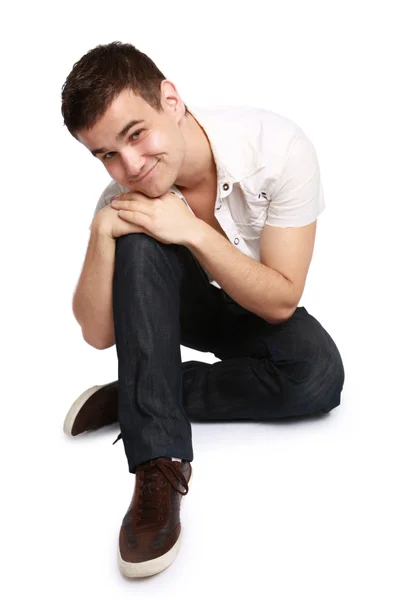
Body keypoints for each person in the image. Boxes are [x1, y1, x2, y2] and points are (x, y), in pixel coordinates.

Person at [61, 41, 345, 579]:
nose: (131, 166)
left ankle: (142, 394)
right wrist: (102, 232)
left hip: (253, 299)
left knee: (319, 374)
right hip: (174, 303)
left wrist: (190, 230)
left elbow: (283, 299)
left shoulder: (278, 148)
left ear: (170, 99)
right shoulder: (125, 195)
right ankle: (157, 461)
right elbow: (98, 335)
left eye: (135, 134)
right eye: (106, 155)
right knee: (138, 238)